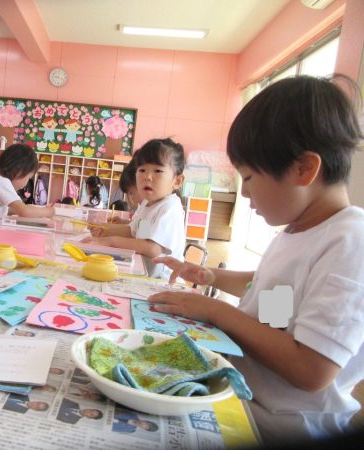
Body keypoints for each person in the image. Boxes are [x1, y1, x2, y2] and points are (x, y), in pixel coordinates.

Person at [148, 75, 364, 446]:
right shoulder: (299, 231)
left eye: (248, 177)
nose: (244, 193)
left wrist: (214, 310)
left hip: (282, 427)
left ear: (304, 169)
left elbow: (312, 370)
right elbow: (277, 304)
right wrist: (211, 276)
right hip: (245, 397)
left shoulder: (351, 243)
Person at [82, 138, 186, 279]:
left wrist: (111, 241)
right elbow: (136, 233)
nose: (147, 177)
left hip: (162, 281)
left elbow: (152, 248)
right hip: (144, 272)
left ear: (177, 181)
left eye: (158, 171)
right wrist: (104, 229)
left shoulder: (170, 207)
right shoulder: (147, 204)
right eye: (142, 170)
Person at [0, 144, 55, 226]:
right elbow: (25, 212)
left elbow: (7, 210)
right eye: (28, 178)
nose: (27, 183)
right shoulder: (0, 181)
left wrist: (32, 209)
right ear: (19, 171)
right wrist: (48, 211)